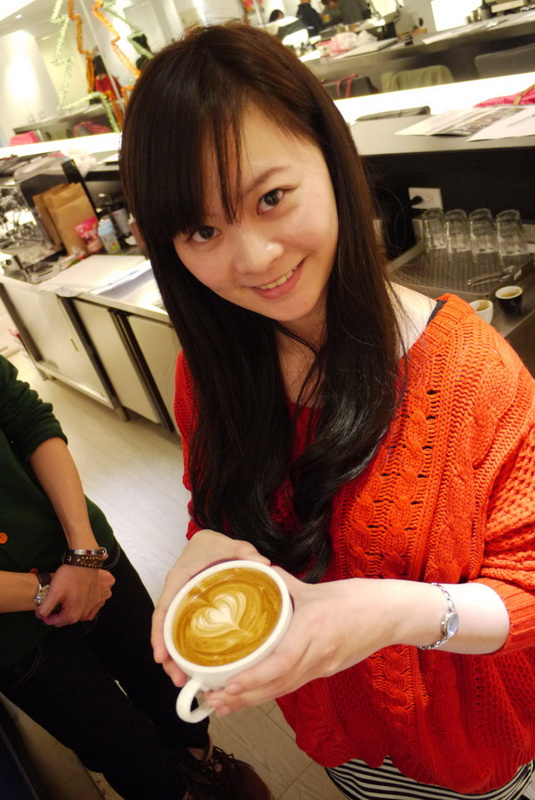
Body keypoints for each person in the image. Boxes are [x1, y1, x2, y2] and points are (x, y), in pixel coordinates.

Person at [120, 23, 535, 800]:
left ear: (329, 155)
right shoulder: (208, 374)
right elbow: (219, 509)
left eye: (270, 198)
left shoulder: (470, 375)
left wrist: (386, 612)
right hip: (338, 743)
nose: (253, 259)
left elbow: (527, 592)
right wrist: (206, 544)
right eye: (203, 230)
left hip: (470, 749)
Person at [0, 355, 271, 800]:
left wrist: (84, 555)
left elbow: (29, 420)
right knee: (111, 740)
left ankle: (200, 759)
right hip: (10, 636)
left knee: (159, 673)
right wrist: (46, 590)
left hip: (81, 548)